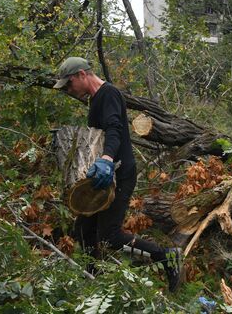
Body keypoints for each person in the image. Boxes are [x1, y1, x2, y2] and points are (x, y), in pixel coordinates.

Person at [53, 57, 182, 291]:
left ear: (82, 75)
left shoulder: (108, 94)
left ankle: (166, 256)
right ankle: (94, 280)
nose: (69, 90)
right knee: (83, 230)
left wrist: (107, 159)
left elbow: (115, 129)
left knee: (109, 237)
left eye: (70, 84)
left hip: (118, 174)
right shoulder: (95, 100)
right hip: (104, 175)